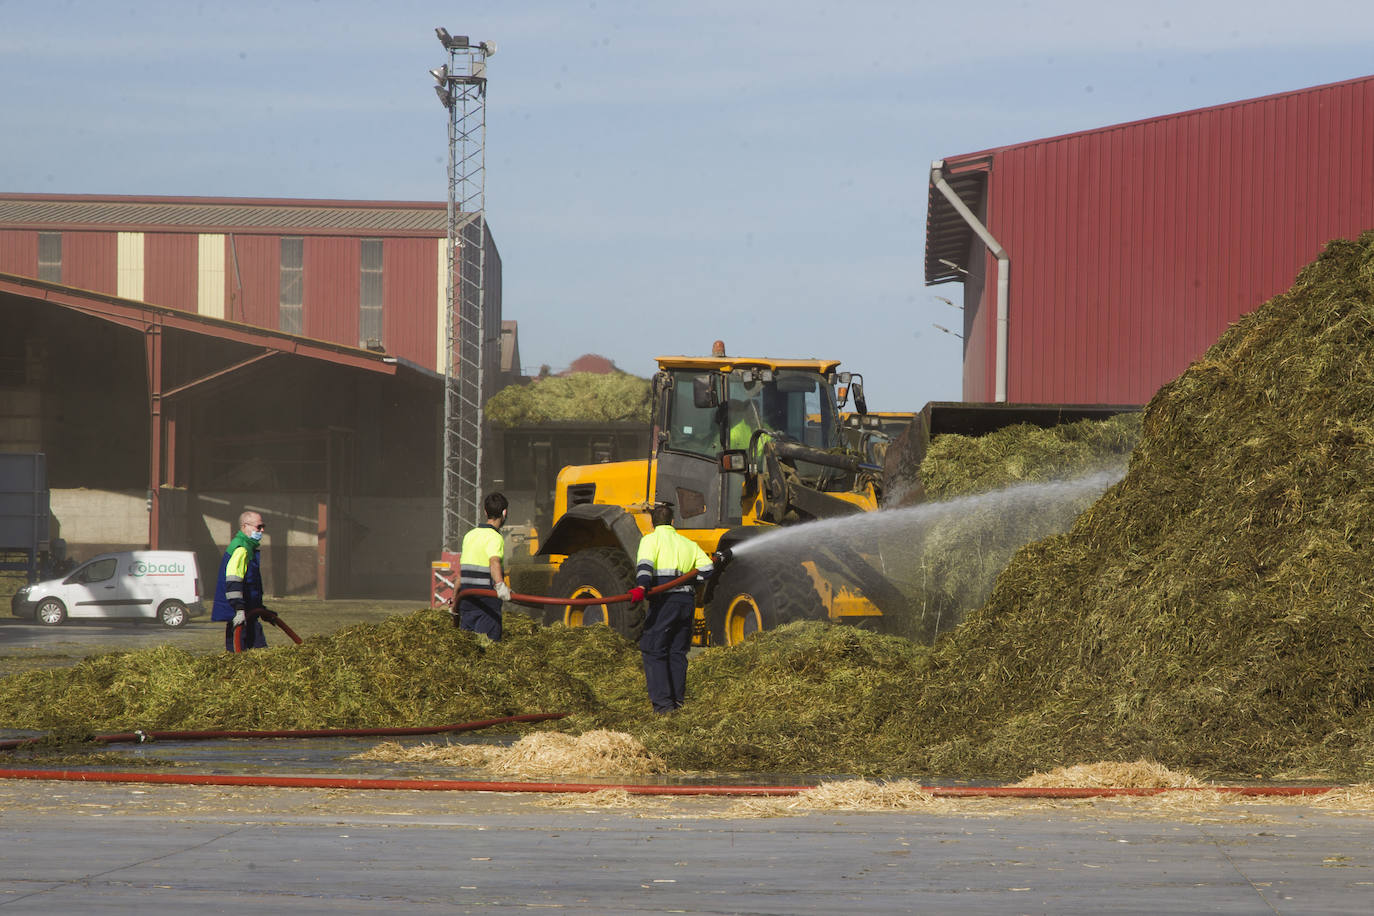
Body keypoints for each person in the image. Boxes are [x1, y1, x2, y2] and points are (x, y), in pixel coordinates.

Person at [629, 503, 716, 713]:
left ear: (652, 522)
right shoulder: (687, 543)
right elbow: (708, 568)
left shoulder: (650, 539)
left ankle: (663, 707)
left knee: (654, 650)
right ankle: (677, 702)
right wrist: (692, 582)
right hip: (686, 602)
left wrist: (641, 587)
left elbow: (645, 566)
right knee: (677, 652)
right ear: (673, 522)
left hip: (664, 601)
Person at [457, 492, 511, 640]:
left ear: (485, 512)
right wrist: (500, 586)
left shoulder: (469, 536)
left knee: (468, 650)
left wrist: (454, 601)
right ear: (504, 513)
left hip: (466, 603)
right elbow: (494, 562)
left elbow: (460, 575)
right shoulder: (495, 538)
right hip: (486, 605)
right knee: (488, 653)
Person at [212, 509, 268, 651]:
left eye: (263, 527)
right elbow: (233, 581)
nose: (261, 531)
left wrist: (260, 609)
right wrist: (239, 609)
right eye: (258, 527)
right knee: (239, 655)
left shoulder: (248, 547)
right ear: (245, 526)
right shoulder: (240, 549)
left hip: (249, 613)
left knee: (260, 652)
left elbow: (251, 585)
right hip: (240, 616)